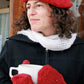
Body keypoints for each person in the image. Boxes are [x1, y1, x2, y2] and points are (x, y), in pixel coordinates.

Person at [0, 0, 84, 84]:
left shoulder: (79, 49)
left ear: (57, 11)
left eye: (38, 5)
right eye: (28, 7)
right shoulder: (13, 46)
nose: (31, 12)